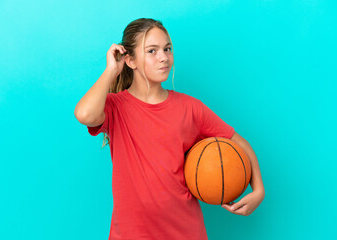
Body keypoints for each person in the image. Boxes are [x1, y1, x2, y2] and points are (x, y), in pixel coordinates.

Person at [74, 18, 265, 240]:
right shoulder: (116, 107)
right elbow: (84, 114)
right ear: (131, 61)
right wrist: (111, 71)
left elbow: (241, 144)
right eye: (152, 51)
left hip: (185, 231)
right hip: (131, 234)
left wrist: (258, 191)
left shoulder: (190, 107)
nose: (164, 57)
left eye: (167, 49)